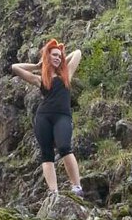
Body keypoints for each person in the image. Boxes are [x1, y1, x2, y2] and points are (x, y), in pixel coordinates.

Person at [11, 39, 84, 198]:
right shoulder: (40, 79)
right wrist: (37, 66)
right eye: (54, 55)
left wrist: (62, 57)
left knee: (64, 147)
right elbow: (15, 67)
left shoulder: (66, 74)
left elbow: (77, 53)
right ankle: (53, 192)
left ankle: (77, 187)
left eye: (60, 56)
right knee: (46, 154)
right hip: (43, 117)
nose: (57, 58)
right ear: (47, 57)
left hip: (62, 117)